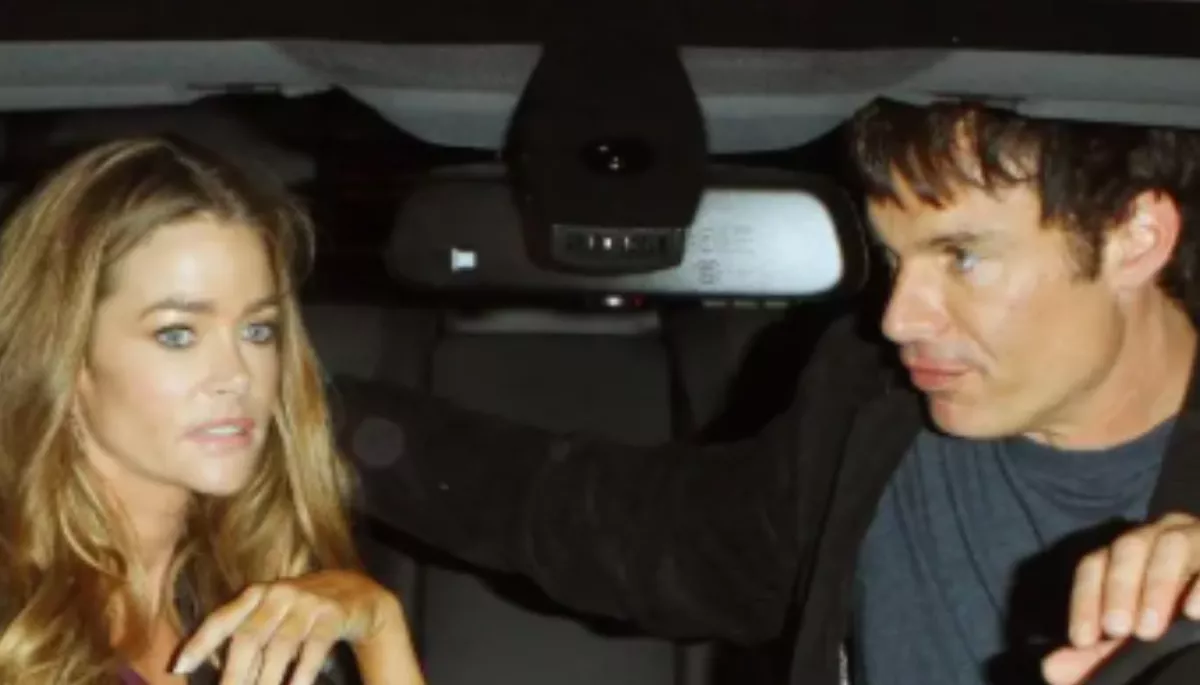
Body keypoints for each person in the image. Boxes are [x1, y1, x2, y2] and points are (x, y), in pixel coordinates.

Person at [332, 97, 1200, 685]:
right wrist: (314, 420)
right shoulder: (872, 401)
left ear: (1135, 238)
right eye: (894, 259)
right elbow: (627, 531)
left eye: (963, 257)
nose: (899, 316)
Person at [0, 138, 424, 685]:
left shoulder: (239, 605)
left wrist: (379, 629)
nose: (237, 375)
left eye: (258, 330)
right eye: (177, 334)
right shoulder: (18, 615)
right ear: (67, 356)